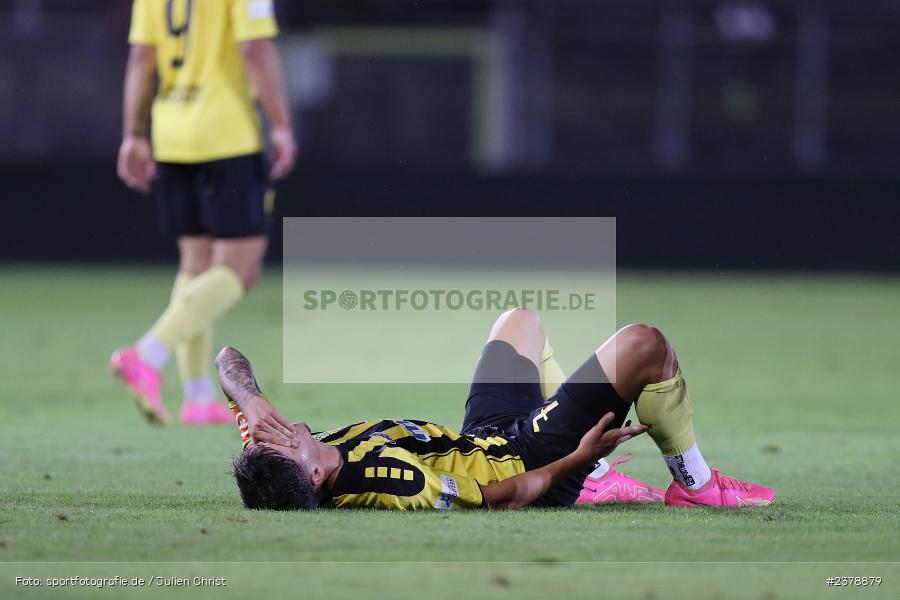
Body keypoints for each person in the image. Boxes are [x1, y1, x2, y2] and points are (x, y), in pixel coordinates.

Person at [219, 308, 776, 509]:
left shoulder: (278, 457)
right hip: (528, 458)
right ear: (317, 476)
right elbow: (501, 497)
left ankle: (600, 481)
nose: (280, 430)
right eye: (284, 442)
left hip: (480, 437)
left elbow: (227, 359)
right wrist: (577, 459)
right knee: (644, 345)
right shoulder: (393, 484)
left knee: (519, 321)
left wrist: (249, 397)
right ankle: (695, 483)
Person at [111, 0, 296, 425]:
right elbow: (255, 49)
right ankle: (146, 355)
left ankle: (197, 397)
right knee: (240, 270)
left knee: (196, 266)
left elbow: (141, 57)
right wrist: (283, 125)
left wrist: (133, 134)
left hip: (172, 134)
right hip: (225, 134)